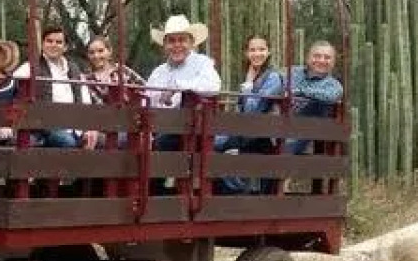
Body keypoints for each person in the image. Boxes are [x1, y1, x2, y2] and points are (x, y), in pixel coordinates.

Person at [143, 14, 222, 193]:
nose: (177, 45)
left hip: (191, 130)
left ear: (192, 43)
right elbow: (146, 100)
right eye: (171, 41)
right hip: (160, 127)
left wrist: (179, 88)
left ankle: (153, 193)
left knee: (162, 143)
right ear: (165, 45)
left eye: (182, 40)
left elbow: (213, 87)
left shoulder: (202, 64)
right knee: (132, 142)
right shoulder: (159, 72)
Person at [7, 25, 99, 148]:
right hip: (46, 127)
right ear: (43, 44)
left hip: (75, 127)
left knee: (115, 140)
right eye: (49, 41)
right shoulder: (31, 67)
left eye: (58, 42)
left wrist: (89, 128)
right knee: (67, 142)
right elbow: (11, 86)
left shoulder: (74, 69)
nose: (53, 45)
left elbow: (86, 100)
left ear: (65, 47)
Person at [216, 36, 285, 194]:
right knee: (212, 146)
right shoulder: (252, 75)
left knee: (215, 144)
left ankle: (240, 190)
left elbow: (252, 111)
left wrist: (247, 87)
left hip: (263, 134)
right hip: (246, 132)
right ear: (246, 53)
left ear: (269, 52)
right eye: (252, 50)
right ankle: (236, 189)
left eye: (261, 49)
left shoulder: (273, 77)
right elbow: (241, 110)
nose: (257, 54)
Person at [284, 40, 344, 156]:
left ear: (333, 62)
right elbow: (276, 83)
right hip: (274, 123)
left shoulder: (334, 86)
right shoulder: (293, 72)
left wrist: (299, 92)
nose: (321, 60)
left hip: (300, 134)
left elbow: (330, 96)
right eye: (317, 56)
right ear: (308, 58)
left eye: (327, 57)